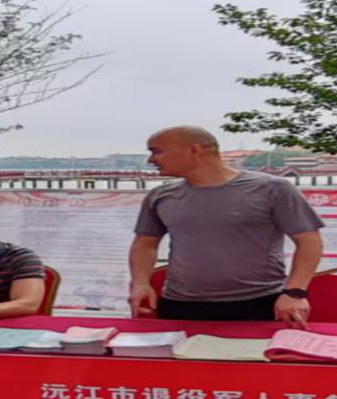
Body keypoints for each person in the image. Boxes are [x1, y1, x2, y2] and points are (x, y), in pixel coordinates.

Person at [128, 125, 324, 324]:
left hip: (260, 302)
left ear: (194, 150)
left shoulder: (272, 189)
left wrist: (295, 292)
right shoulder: (160, 196)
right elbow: (145, 244)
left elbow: (309, 241)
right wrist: (140, 283)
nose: (151, 160)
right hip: (179, 303)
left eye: (157, 151)